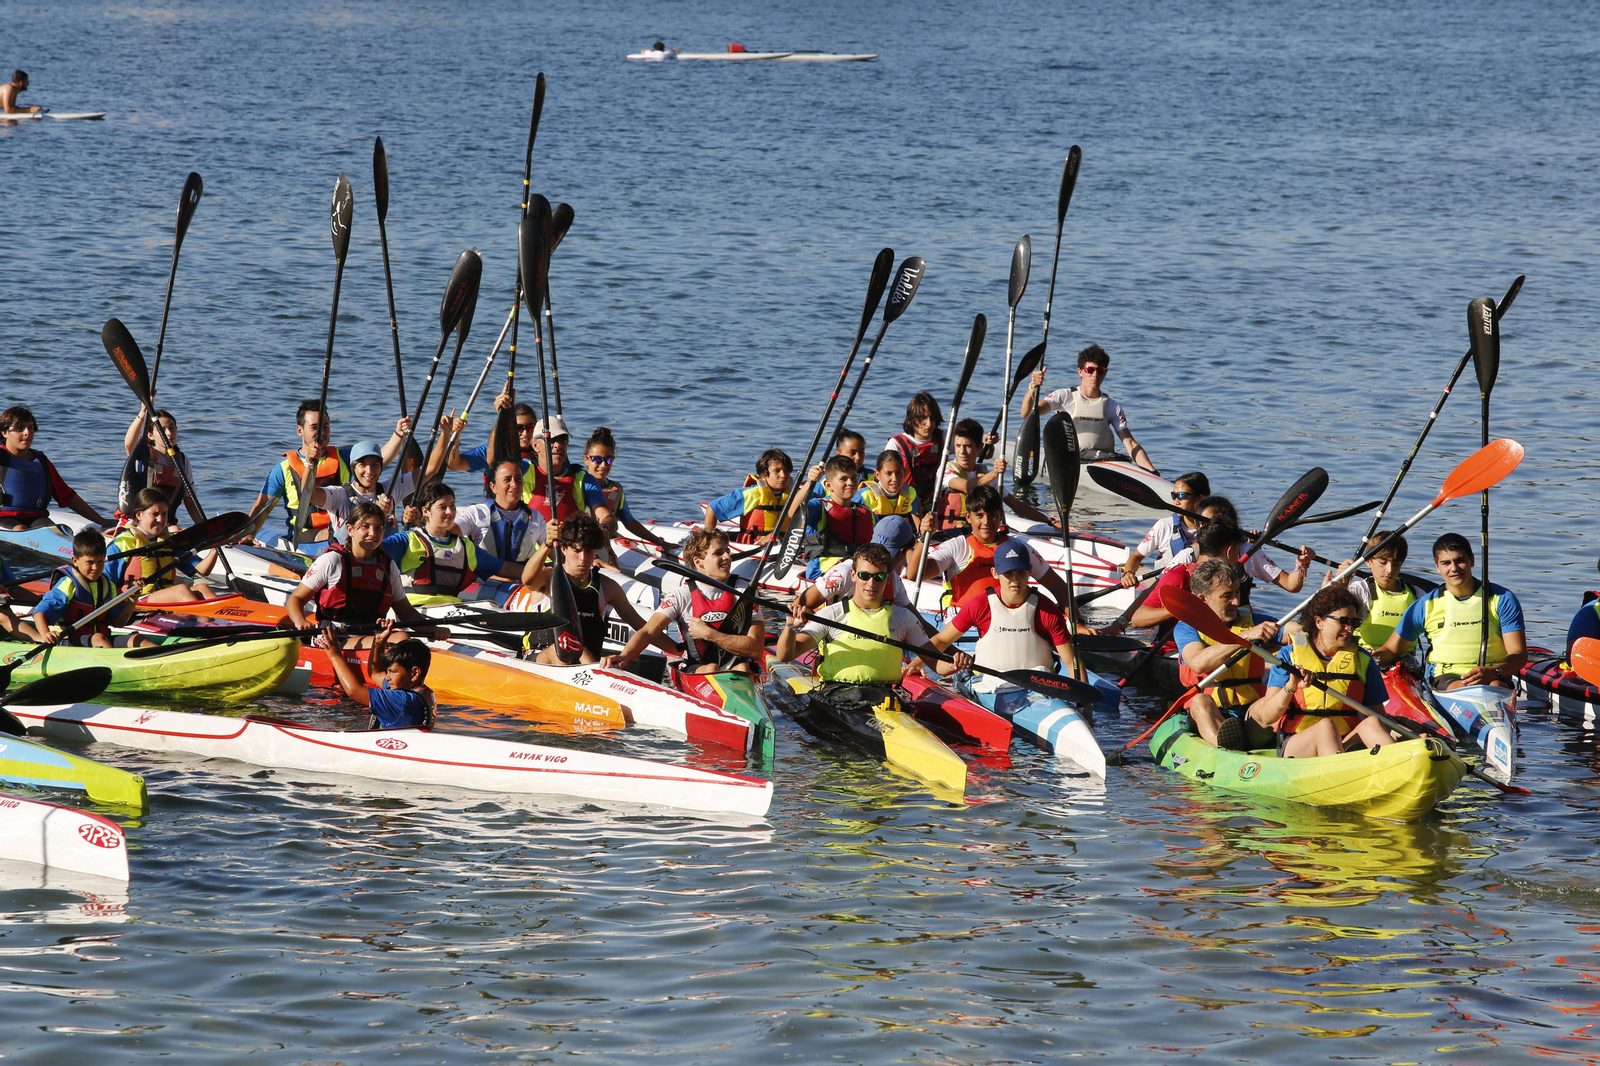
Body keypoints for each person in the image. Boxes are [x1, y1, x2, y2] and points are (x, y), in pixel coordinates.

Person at [773, 543, 966, 685]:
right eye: (865, 576)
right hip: (838, 695)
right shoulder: (832, 614)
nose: (871, 583)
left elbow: (937, 665)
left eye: (879, 576)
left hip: (885, 698)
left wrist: (954, 664)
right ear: (854, 575)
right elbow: (784, 655)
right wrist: (790, 627)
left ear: (888, 578)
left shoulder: (903, 618)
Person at [928, 538, 1078, 715]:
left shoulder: (1047, 610)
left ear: (1030, 571)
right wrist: (915, 665)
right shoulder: (980, 604)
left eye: (1021, 573)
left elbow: (1071, 662)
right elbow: (941, 639)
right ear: (995, 573)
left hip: (1037, 688)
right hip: (987, 685)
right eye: (1008, 574)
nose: (1015, 580)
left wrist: (1085, 708)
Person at [1250, 584, 1395, 758]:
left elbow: (1380, 716)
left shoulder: (1363, 660)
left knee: (1372, 722)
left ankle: (1403, 766)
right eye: (1343, 621)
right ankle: (1339, 776)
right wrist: (1291, 687)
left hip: (1343, 743)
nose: (1349, 628)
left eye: (1354, 622)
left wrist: (1409, 741)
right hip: (1298, 746)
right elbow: (1267, 717)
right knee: (1325, 727)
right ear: (1319, 622)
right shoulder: (1288, 656)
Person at [249, 400, 409, 552]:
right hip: (306, 535)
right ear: (300, 431)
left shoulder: (343, 457)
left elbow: (380, 459)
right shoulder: (283, 468)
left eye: (325, 427)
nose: (321, 433)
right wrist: (249, 535)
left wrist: (398, 434)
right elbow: (263, 506)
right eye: (314, 427)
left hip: (344, 530)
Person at [286, 501, 450, 647]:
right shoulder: (332, 560)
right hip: (331, 638)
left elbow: (406, 611)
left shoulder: (388, 566)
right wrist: (300, 620)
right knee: (401, 638)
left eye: (378, 528)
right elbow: (296, 599)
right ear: (350, 530)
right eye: (365, 527)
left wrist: (433, 628)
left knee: (403, 640)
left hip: (371, 635)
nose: (373, 533)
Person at [1376, 532, 1526, 690]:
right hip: (1446, 677)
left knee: (1495, 686)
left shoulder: (1501, 599)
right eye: (1446, 563)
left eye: (1460, 560)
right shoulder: (1426, 605)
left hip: (1494, 675)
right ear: (1437, 567)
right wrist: (1368, 663)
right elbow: (1391, 649)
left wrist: (1494, 671)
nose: (1454, 568)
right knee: (1463, 687)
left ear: (1472, 560)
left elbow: (1518, 654)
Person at [603, 528, 765, 674]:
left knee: (742, 667)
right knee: (712, 668)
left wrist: (710, 634)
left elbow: (757, 649)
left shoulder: (744, 591)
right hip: (699, 668)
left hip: (738, 665)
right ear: (698, 562)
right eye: (719, 553)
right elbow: (648, 632)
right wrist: (625, 656)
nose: (728, 557)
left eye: (728, 552)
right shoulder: (680, 596)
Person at [918, 485, 1079, 616]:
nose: (986, 522)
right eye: (979, 515)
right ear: (968, 517)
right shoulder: (957, 547)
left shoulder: (1018, 549)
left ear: (1001, 515)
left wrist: (1077, 623)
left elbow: (1058, 586)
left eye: (992, 515)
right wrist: (922, 538)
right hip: (964, 629)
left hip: (1006, 627)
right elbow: (915, 574)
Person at [529, 513, 664, 665]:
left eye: (589, 552)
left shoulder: (608, 587)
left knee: (583, 655)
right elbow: (527, 579)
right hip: (539, 661)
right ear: (564, 549)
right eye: (577, 551)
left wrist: (680, 650)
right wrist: (547, 544)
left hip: (583, 666)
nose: (583, 558)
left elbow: (643, 627)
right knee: (560, 651)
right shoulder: (548, 578)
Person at [1173, 558, 1281, 749]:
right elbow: (1198, 663)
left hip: (1249, 713)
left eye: (1237, 592)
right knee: (1200, 701)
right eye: (1227, 596)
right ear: (1202, 599)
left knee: (1270, 703)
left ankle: (1286, 746)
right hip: (1211, 711)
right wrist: (1245, 636)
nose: (1236, 601)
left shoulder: (1253, 620)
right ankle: (1223, 749)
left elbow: (1294, 630)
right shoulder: (1187, 628)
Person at [381, 482, 542, 600]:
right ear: (426, 511)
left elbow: (504, 568)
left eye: (452, 505)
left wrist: (544, 574)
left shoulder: (465, 547)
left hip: (453, 611)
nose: (450, 511)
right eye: (442, 507)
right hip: (415, 613)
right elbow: (369, 553)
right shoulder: (405, 541)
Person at [1019, 343, 1157, 473]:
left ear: (1105, 373)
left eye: (1100, 370)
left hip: (1103, 464)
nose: (1095, 375)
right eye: (1090, 370)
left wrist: (1153, 474)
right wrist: (1032, 387)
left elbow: (1130, 443)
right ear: (1080, 371)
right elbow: (1027, 414)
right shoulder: (1064, 396)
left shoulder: (1112, 406)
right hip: (1069, 462)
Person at [931, 417, 1057, 530]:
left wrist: (1050, 521)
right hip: (949, 534)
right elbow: (965, 486)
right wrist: (995, 473)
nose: (962, 452)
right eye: (958, 446)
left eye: (967, 446)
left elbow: (1016, 505)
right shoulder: (946, 469)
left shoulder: (983, 474)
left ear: (980, 447)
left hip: (978, 534)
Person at [452, 459, 550, 604]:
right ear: (493, 486)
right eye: (507, 480)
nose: (514, 484)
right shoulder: (477, 514)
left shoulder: (535, 517)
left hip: (521, 584)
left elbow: (559, 556)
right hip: (483, 583)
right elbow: (445, 537)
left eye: (518, 479)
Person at [1173, 495, 1314, 596]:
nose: (1201, 528)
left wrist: (1302, 563)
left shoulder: (1248, 552)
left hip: (1242, 623)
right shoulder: (1189, 555)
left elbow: (1291, 585)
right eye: (1199, 523)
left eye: (1205, 523)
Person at [0, 405, 110, 530]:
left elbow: (68, 496)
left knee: (58, 532)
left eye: (31, 428)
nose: (27, 433)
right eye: (20, 429)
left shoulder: (41, 462)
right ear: (5, 432)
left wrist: (101, 520)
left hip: (37, 518)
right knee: (20, 529)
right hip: (3, 517)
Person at [1124, 521, 1246, 631]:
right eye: (1238, 552)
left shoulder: (1230, 579)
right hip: (1174, 650)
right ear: (1229, 551)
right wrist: (1186, 608)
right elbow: (1138, 619)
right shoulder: (1180, 576)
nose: (1239, 558)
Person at [316, 622, 438, 729]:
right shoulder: (419, 692)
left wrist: (335, 655)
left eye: (393, 671)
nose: (387, 677)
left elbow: (354, 691)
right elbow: (376, 673)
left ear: (415, 673)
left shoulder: (402, 700)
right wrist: (379, 643)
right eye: (388, 671)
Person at [105, 489, 218, 605]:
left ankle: (228, 620)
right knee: (181, 590)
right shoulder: (122, 542)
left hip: (163, 598)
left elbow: (203, 570)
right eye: (155, 514)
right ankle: (204, 620)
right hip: (134, 601)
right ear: (139, 515)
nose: (161, 520)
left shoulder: (169, 542)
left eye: (165, 514)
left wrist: (216, 546)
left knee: (202, 588)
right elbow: (104, 581)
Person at [25, 529, 130, 647]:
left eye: (100, 562)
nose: (96, 567)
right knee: (99, 638)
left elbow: (119, 623)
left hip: (101, 639)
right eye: (90, 562)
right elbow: (39, 612)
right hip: (69, 642)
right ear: (75, 561)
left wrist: (133, 600)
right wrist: (45, 634)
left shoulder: (107, 585)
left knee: (137, 639)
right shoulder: (69, 583)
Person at [573, 427, 671, 552]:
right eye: (597, 459)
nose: (603, 465)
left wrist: (660, 542)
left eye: (608, 460)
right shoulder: (577, 484)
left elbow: (629, 522)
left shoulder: (616, 489)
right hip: (582, 545)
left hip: (609, 542)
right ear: (586, 459)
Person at [1332, 531, 1431, 652]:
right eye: (1383, 562)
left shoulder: (1417, 595)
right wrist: (1339, 588)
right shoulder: (1360, 591)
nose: (1389, 570)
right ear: (1369, 562)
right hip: (1366, 661)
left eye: (1396, 564)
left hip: (1405, 665)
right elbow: (1333, 621)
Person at [801, 516, 922, 613]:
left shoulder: (894, 580)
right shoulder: (843, 573)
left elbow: (918, 623)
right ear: (904, 552)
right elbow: (798, 606)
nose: (878, 560)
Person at [310, 436, 423, 541]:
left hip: (383, 558)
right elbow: (311, 495)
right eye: (362, 465)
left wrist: (441, 433)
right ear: (353, 468)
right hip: (347, 558)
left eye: (375, 465)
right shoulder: (339, 495)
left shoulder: (390, 489)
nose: (369, 471)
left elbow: (430, 469)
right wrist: (309, 464)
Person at [1119, 471, 1209, 586]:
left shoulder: (1214, 530)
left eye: (1181, 496)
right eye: (1174, 495)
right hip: (1164, 586)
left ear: (1200, 498)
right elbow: (1136, 556)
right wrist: (1128, 573)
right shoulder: (1164, 526)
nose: (1176, 501)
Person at [118, 403, 199, 524]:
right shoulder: (143, 454)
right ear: (150, 435)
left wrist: (206, 528)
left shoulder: (183, 461)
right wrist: (143, 412)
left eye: (172, 428)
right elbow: (129, 444)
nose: (169, 433)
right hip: (137, 523)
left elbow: (190, 503)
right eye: (162, 429)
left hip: (165, 523)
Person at [701, 448, 797, 544]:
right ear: (763, 474)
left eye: (787, 471)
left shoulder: (796, 494)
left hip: (786, 544)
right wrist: (709, 543)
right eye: (777, 470)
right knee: (774, 538)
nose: (783, 475)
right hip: (754, 545)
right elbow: (712, 509)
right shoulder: (751, 494)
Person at [799, 455, 873, 579]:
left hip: (856, 574)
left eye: (854, 478)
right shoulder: (818, 507)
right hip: (822, 576)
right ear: (828, 485)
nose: (850, 482)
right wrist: (810, 482)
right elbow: (794, 513)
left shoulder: (865, 511)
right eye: (843, 479)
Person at [883, 392, 945, 507]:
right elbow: (885, 479)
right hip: (909, 504)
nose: (929, 423)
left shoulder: (943, 437)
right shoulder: (896, 444)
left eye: (932, 417)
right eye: (923, 418)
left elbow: (981, 452)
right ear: (912, 419)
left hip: (937, 501)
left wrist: (987, 444)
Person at [520, 414, 584, 522]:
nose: (558, 445)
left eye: (563, 439)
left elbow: (603, 512)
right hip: (533, 538)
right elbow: (495, 460)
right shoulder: (523, 470)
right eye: (551, 439)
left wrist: (605, 526)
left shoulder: (582, 478)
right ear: (535, 445)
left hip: (569, 538)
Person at [856, 450, 916, 517]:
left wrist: (920, 526)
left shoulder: (910, 493)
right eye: (889, 473)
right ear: (878, 475)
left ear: (904, 472)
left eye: (899, 473)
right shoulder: (864, 496)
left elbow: (917, 513)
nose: (895, 479)